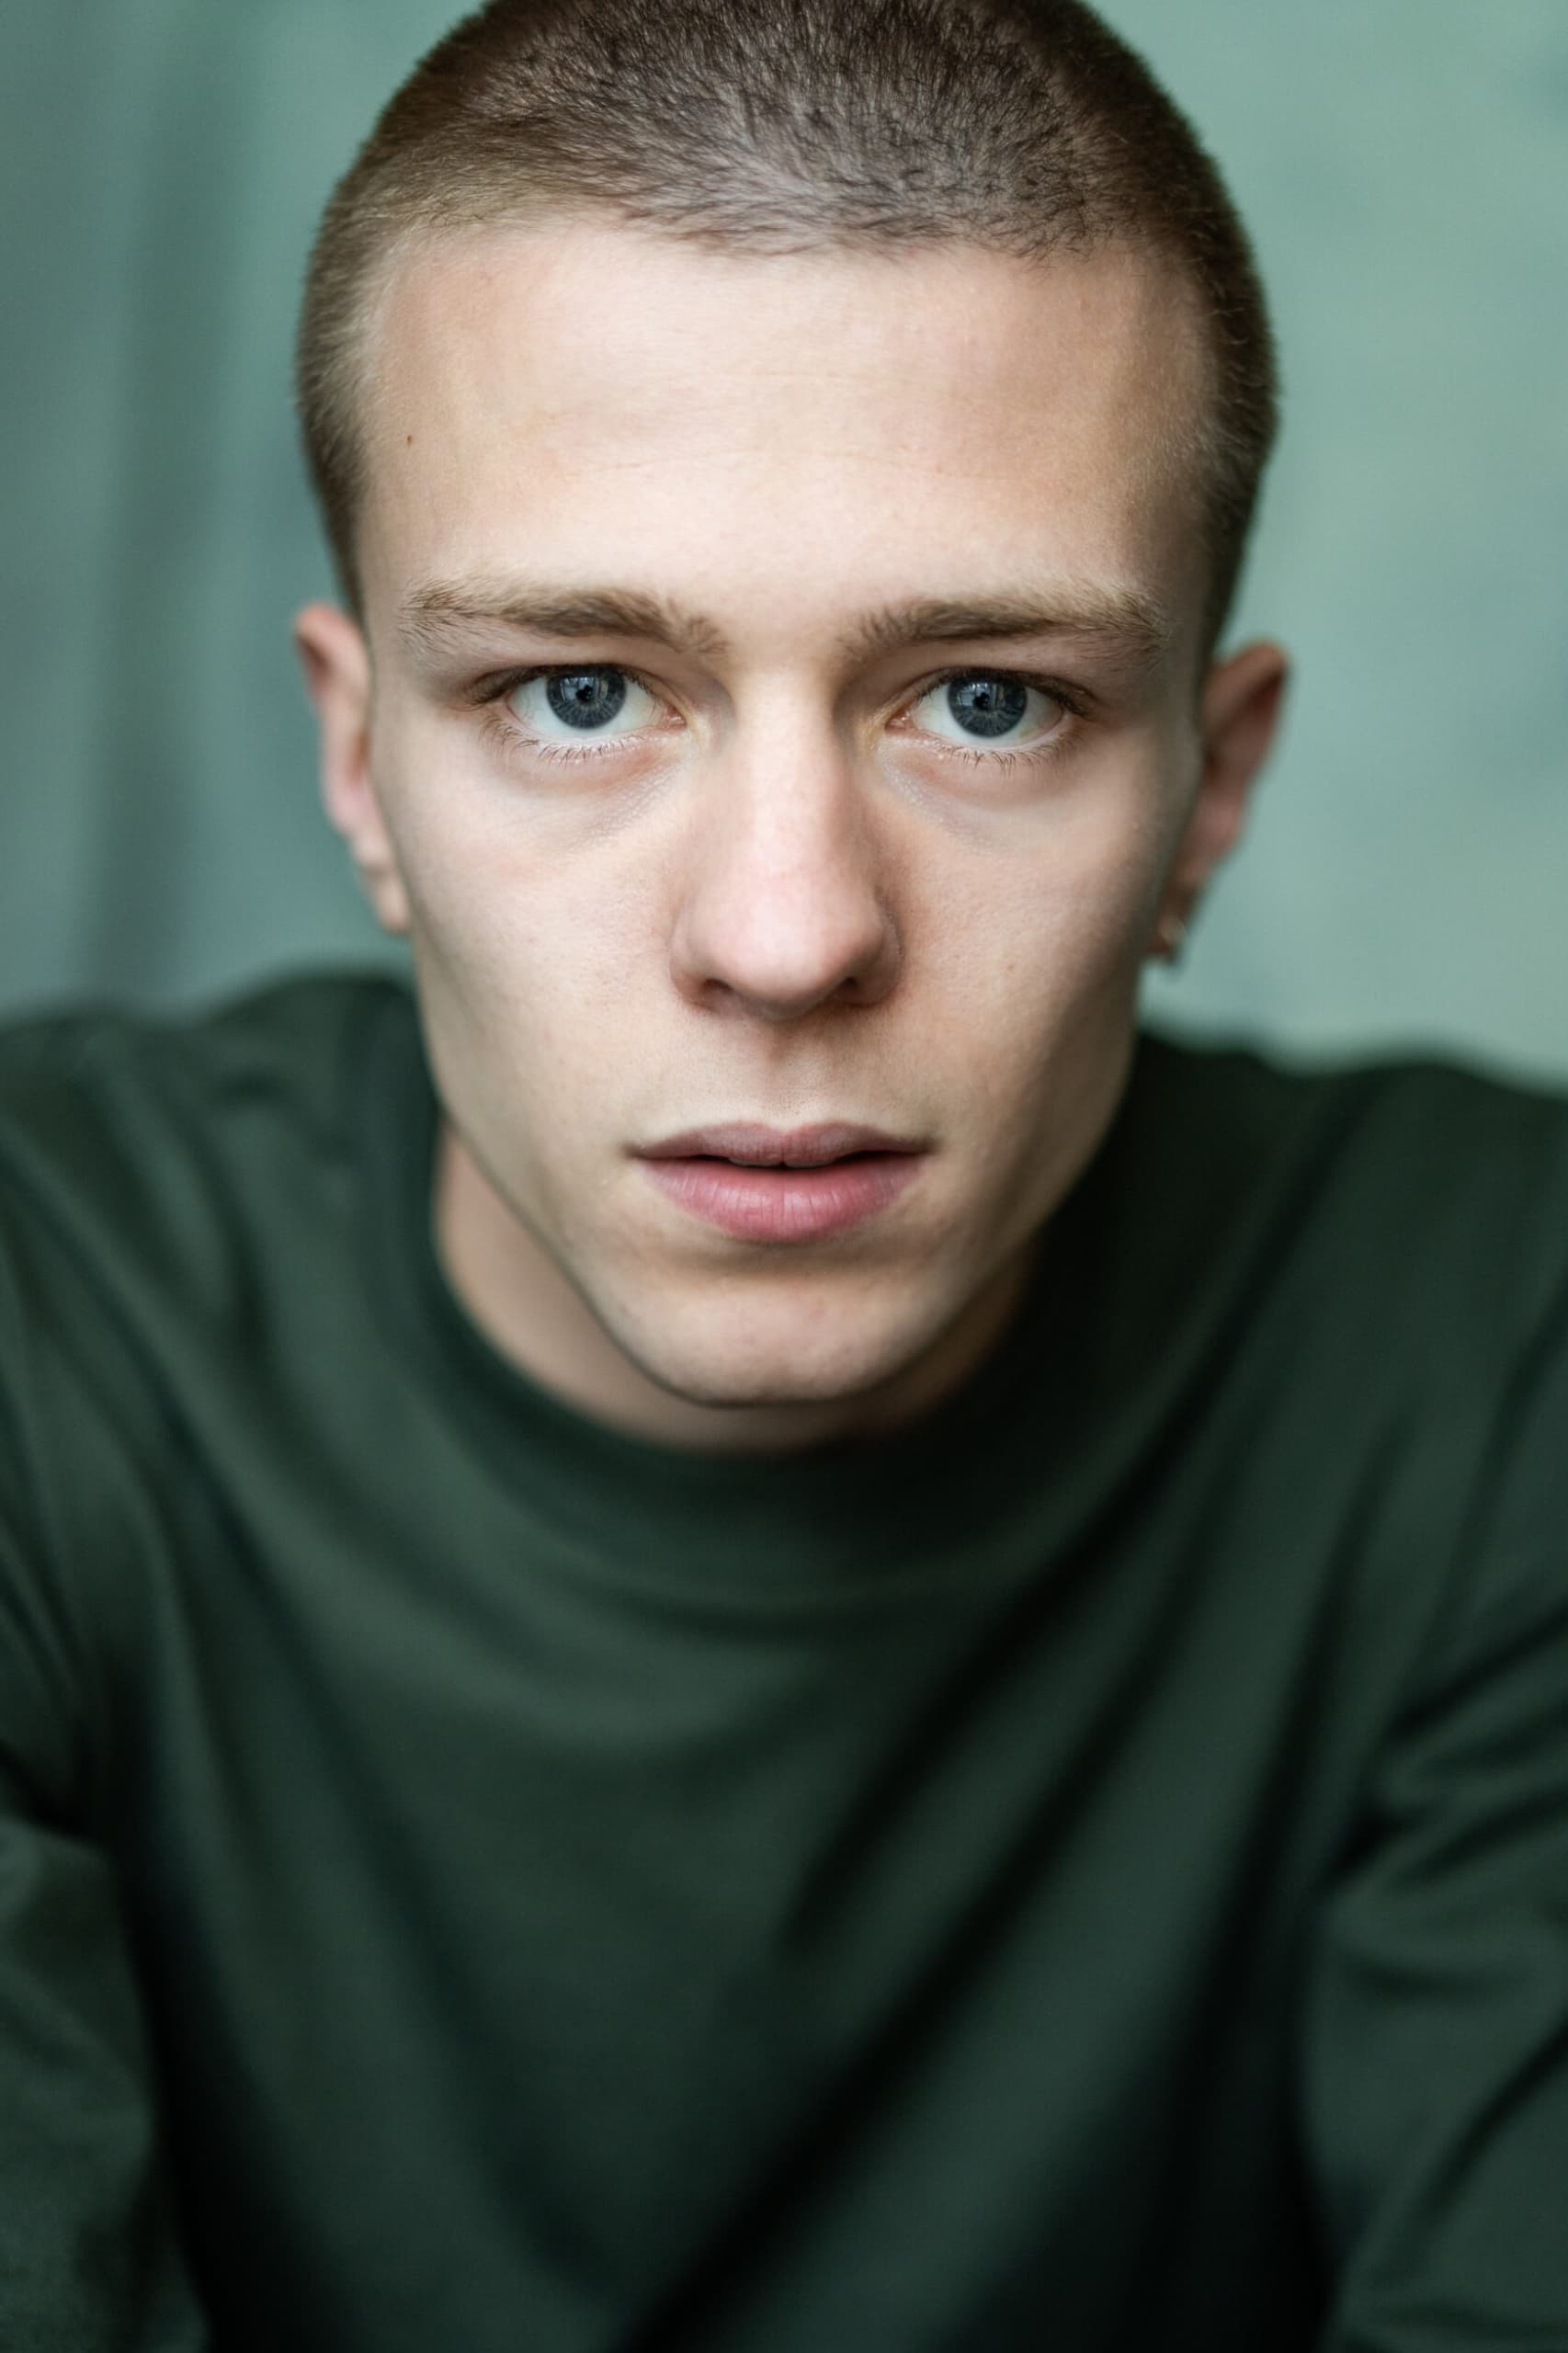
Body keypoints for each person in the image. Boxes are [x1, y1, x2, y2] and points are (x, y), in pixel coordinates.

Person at [1, 0, 1563, 2345]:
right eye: (580, 693)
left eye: (987, 701)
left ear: (1206, 793)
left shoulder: (1501, 1342)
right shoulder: (37, 1319)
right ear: (357, 763)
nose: (785, 932)